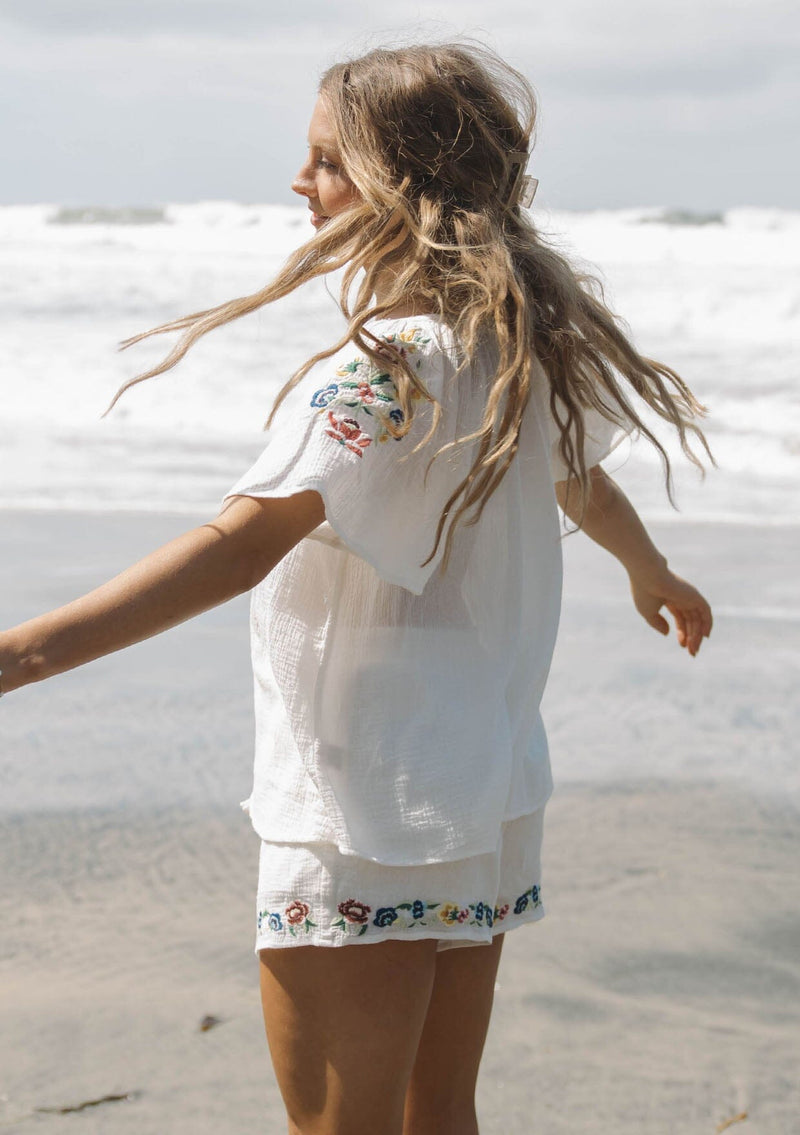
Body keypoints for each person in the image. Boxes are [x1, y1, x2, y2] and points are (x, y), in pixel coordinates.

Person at [0, 41, 713, 1135]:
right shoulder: (512, 344)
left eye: (325, 160)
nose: (300, 182)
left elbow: (239, 547)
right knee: (438, 1113)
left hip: (361, 806)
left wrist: (25, 652)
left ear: (398, 184)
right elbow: (580, 478)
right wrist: (648, 568)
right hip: (478, 788)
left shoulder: (380, 370)